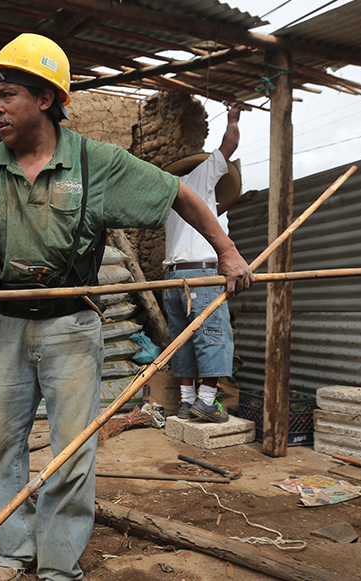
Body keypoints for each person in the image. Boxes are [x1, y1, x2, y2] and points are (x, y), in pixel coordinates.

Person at [0, 33, 254, 581]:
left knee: (71, 450)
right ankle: (12, 550)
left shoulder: (96, 164)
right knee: (1, 447)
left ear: (45, 99)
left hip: (71, 328)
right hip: (5, 328)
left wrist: (227, 253)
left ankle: (59, 566)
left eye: (9, 93)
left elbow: (181, 194)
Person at [162, 104, 255, 423]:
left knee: (184, 340)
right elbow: (229, 145)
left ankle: (187, 402)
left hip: (173, 282)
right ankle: (206, 401)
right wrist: (233, 120)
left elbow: (210, 212)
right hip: (200, 278)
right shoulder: (200, 176)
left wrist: (238, 202)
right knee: (214, 337)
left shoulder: (174, 194)